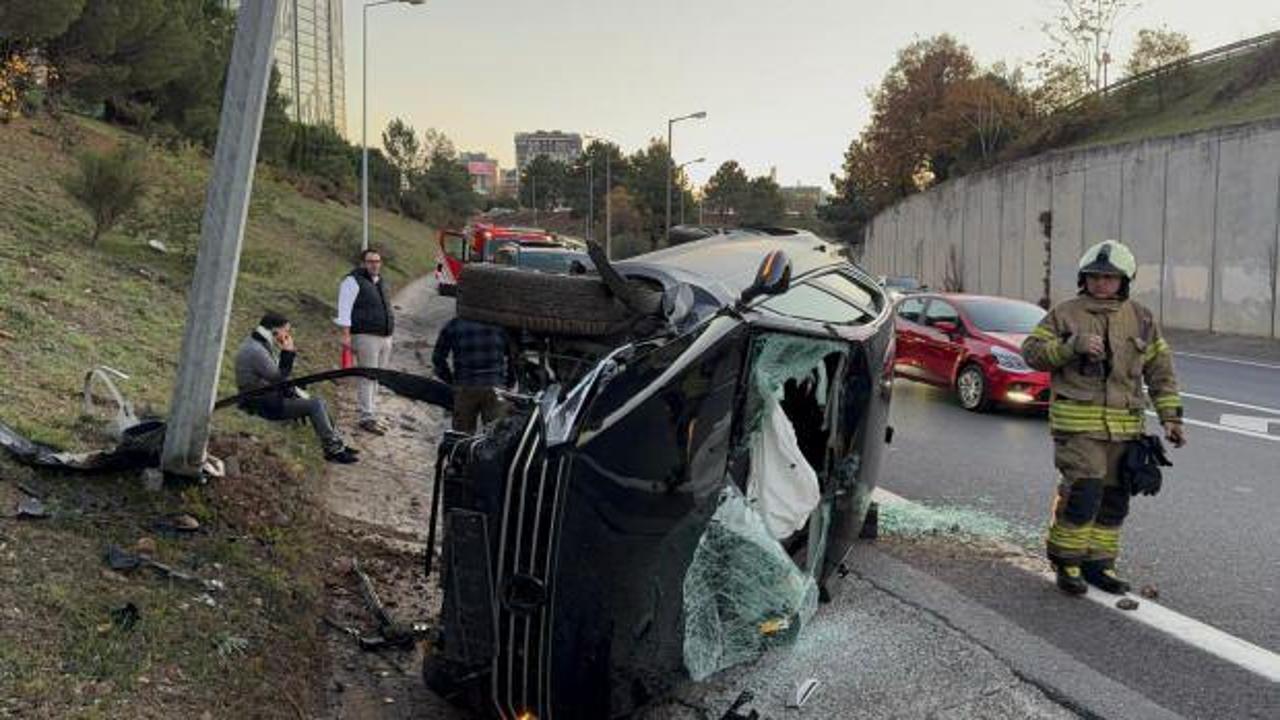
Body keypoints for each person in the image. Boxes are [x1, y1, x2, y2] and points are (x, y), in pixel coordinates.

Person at [1022, 240, 1185, 596]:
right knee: (1084, 491)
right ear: (1084, 278)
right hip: (1078, 427)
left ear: (1124, 281)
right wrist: (1070, 347)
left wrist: (1171, 417)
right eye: (1094, 277)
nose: (1100, 283)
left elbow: (1160, 370)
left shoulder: (1141, 318)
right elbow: (1031, 353)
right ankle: (1067, 562)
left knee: (1115, 497)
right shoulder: (1065, 314)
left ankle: (1099, 564)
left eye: (1109, 278)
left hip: (1125, 429)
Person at [234, 312, 358, 464]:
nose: (288, 335)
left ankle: (337, 443)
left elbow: (275, 376)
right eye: (286, 331)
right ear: (275, 330)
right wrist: (288, 352)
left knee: (319, 401)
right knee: (315, 404)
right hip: (261, 403)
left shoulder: (258, 343)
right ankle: (333, 450)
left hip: (266, 396)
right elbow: (277, 377)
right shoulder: (256, 350)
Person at [336, 248, 395, 435]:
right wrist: (346, 335)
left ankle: (372, 412)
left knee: (377, 376)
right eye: (370, 261)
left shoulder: (381, 282)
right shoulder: (352, 281)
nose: (374, 265)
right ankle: (366, 416)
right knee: (367, 376)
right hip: (365, 336)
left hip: (385, 337)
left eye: (377, 261)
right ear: (363, 263)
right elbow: (344, 309)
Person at [432, 316, 515, 433]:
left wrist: (451, 381)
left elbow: (438, 358)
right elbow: (513, 357)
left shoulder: (454, 324)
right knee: (496, 436)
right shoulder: (500, 325)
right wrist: (509, 382)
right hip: (495, 387)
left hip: (465, 387)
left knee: (462, 436)